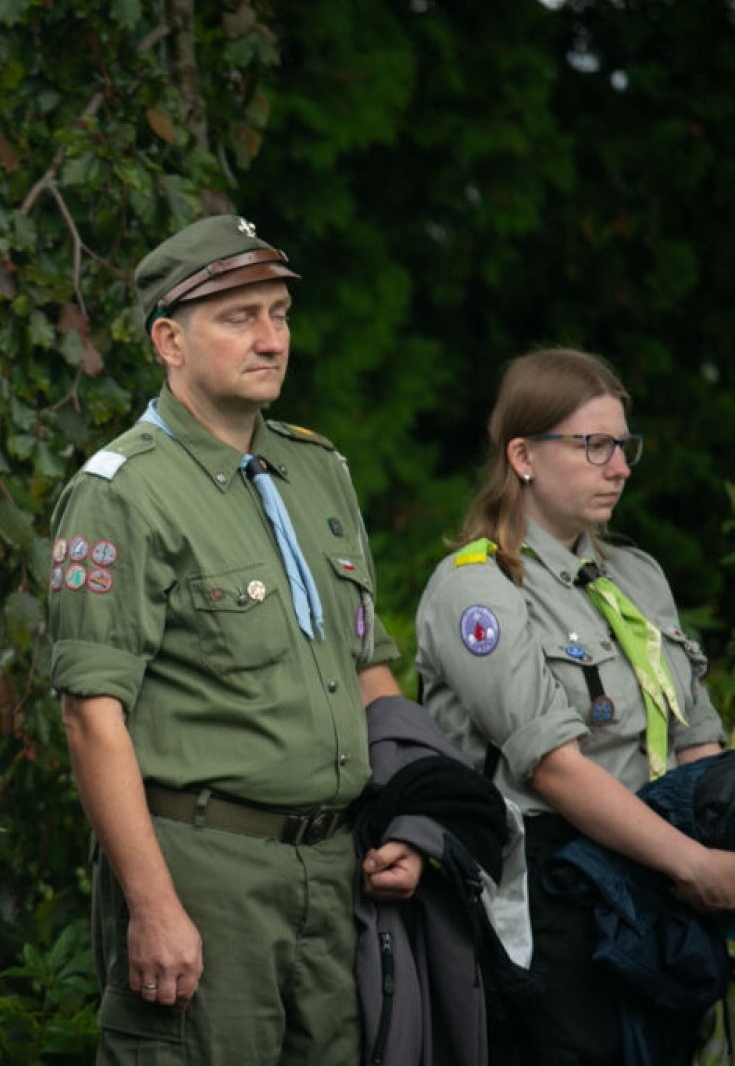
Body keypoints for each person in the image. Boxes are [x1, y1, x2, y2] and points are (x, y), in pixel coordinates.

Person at [47, 214, 422, 1065]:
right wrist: (154, 905)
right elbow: (91, 718)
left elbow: (368, 667)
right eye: (239, 317)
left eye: (279, 314)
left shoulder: (318, 470)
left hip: (336, 869)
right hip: (207, 871)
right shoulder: (123, 492)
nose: (271, 339)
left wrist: (410, 813)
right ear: (169, 342)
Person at [414, 347, 735, 1065]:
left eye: (624, 446)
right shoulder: (479, 587)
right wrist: (694, 865)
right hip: (554, 892)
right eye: (594, 445)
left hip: (661, 881)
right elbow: (553, 769)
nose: (619, 467)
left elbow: (696, 738)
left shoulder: (637, 577)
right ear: (522, 455)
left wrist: (716, 848)